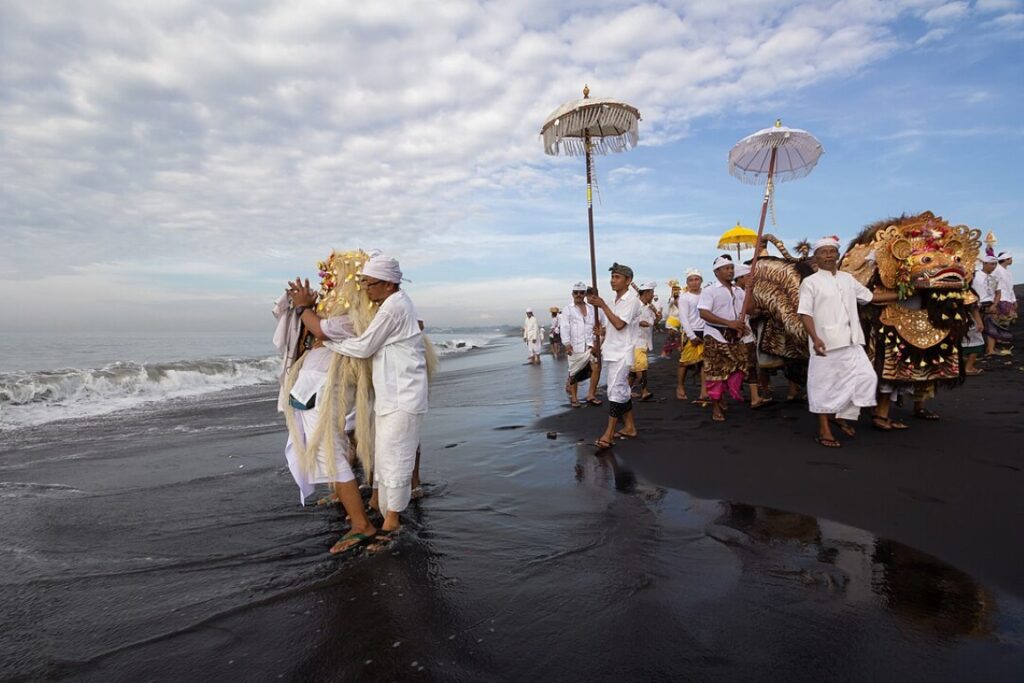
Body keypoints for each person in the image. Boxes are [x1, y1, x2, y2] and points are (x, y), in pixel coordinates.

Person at [319, 254, 428, 536]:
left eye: (370, 284)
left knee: (397, 455)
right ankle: (379, 501)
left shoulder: (394, 308)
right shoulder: (392, 304)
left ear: (389, 284)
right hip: (390, 394)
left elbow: (365, 347)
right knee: (383, 453)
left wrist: (329, 343)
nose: (366, 289)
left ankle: (393, 519)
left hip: (403, 396)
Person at [797, 237, 898, 447]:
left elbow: (870, 297)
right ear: (816, 257)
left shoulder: (847, 279)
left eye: (832, 251)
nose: (828, 255)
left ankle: (839, 414)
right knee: (823, 385)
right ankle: (825, 430)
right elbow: (805, 313)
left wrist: (902, 294)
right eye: (823, 252)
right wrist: (815, 338)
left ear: (837, 255)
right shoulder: (810, 282)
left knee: (866, 378)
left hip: (852, 340)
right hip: (824, 342)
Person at [587, 263, 642, 449]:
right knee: (621, 391)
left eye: (617, 277)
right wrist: (601, 331)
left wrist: (602, 306)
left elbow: (620, 324)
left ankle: (609, 434)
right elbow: (612, 327)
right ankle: (629, 427)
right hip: (611, 350)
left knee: (615, 392)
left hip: (622, 353)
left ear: (628, 280)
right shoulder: (613, 302)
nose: (613, 280)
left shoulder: (632, 301)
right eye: (612, 277)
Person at [698, 256, 750, 422]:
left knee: (739, 368)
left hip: (735, 337)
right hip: (715, 335)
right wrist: (728, 323)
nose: (730, 271)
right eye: (726, 268)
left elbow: (751, 308)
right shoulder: (710, 290)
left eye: (731, 268)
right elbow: (704, 313)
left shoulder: (739, 291)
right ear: (716, 272)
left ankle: (723, 396)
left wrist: (751, 290)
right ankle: (715, 404)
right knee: (715, 372)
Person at [733, 264, 772, 409]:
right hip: (738, 334)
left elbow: (750, 310)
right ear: (740, 278)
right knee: (742, 365)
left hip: (747, 332)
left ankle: (754, 396)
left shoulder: (744, 292)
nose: (751, 279)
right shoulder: (735, 292)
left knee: (751, 365)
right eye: (748, 276)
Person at [561, 281, 604, 408]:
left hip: (591, 345)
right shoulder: (568, 309)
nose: (578, 295)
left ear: (585, 294)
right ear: (572, 294)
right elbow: (564, 327)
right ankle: (574, 398)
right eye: (576, 293)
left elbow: (603, 325)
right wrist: (567, 344)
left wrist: (599, 339)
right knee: (574, 372)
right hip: (575, 346)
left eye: (581, 292)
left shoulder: (593, 309)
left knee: (596, 369)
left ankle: (591, 395)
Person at [676, 269, 708, 404]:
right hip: (692, 331)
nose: (694, 282)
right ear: (687, 282)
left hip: (706, 331)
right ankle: (680, 386)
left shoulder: (706, 294)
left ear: (701, 281)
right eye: (691, 280)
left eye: (696, 279)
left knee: (704, 363)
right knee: (685, 362)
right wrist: (691, 335)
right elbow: (683, 317)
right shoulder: (684, 297)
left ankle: (704, 391)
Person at [630, 281, 659, 401]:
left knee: (634, 370)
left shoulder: (649, 307)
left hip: (645, 341)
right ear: (646, 293)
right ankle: (644, 391)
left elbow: (653, 323)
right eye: (652, 293)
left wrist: (658, 318)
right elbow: (625, 320)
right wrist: (638, 322)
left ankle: (626, 390)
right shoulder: (633, 305)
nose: (653, 295)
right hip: (635, 342)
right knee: (642, 368)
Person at [661, 279, 683, 358]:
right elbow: (671, 300)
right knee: (675, 338)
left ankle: (666, 353)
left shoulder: (681, 304)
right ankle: (679, 351)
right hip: (671, 323)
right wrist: (672, 293)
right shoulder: (671, 304)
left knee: (671, 339)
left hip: (677, 323)